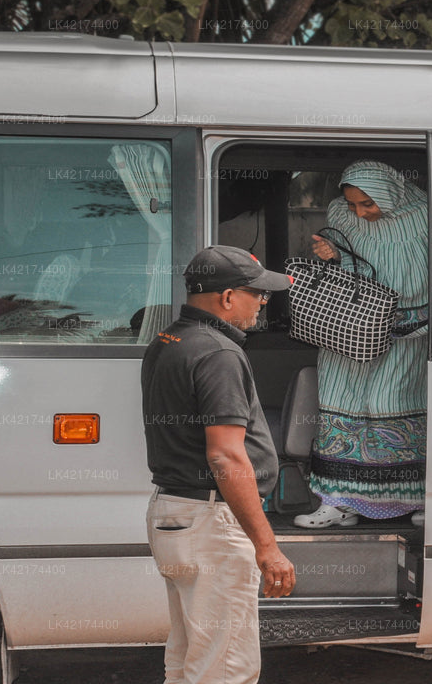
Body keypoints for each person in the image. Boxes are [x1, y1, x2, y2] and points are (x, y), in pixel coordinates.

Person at [141, 245, 296, 684]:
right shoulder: (218, 354)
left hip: (174, 513)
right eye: (257, 294)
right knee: (226, 669)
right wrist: (267, 547)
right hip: (210, 522)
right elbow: (225, 455)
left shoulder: (169, 340)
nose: (263, 302)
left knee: (190, 660)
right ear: (227, 298)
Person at [295, 160, 429, 528]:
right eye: (354, 204)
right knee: (341, 406)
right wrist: (334, 257)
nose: (361, 212)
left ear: (390, 192)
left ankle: (414, 498)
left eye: (368, 204)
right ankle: (338, 503)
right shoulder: (340, 213)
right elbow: (339, 277)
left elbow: (431, 276)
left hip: (407, 332)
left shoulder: (427, 216)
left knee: (391, 405)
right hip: (349, 331)